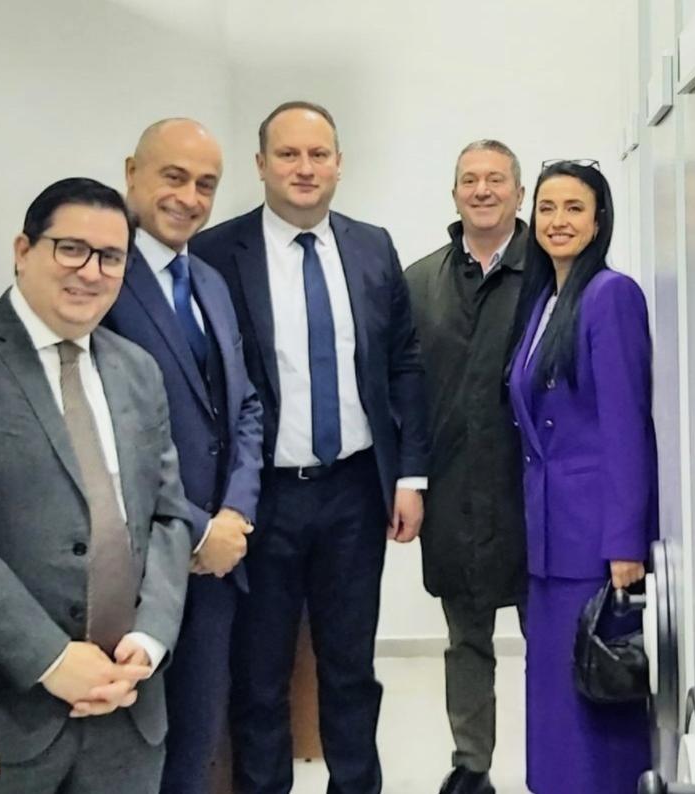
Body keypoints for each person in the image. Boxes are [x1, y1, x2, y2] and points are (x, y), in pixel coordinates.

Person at [0, 177, 193, 794]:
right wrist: (50, 658)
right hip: (7, 718)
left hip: (130, 708)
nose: (91, 272)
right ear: (23, 250)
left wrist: (149, 638)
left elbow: (168, 516)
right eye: (71, 249)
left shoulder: (138, 370)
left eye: (111, 257)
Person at [192, 101, 429, 794]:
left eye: (318, 154)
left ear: (338, 164)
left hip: (355, 491)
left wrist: (410, 475)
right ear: (261, 164)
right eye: (288, 154)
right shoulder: (216, 255)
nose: (304, 168)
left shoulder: (372, 246)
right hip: (261, 498)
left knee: (350, 668)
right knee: (259, 676)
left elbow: (404, 363)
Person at [103, 118, 264, 794]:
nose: (189, 198)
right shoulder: (101, 277)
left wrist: (234, 514)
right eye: (173, 177)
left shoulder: (211, 284)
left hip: (217, 564)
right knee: (129, 754)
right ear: (131, 172)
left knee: (195, 744)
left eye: (205, 185)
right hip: (135, 566)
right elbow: (105, 434)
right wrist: (197, 527)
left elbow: (244, 405)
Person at [506, 159, 656, 793]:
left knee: (594, 695)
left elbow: (627, 424)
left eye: (574, 208)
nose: (558, 221)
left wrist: (625, 543)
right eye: (547, 208)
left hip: (594, 542)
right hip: (547, 536)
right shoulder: (545, 301)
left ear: (599, 222)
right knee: (552, 696)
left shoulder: (610, 295)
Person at [405, 139, 529, 794]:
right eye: (469, 180)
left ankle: (558, 763)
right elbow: (402, 389)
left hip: (533, 493)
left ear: (519, 192)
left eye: (496, 179)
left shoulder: (552, 273)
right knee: (466, 639)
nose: (482, 190)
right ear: (454, 193)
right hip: (453, 490)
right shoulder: (420, 281)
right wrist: (408, 480)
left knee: (550, 639)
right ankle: (472, 766)